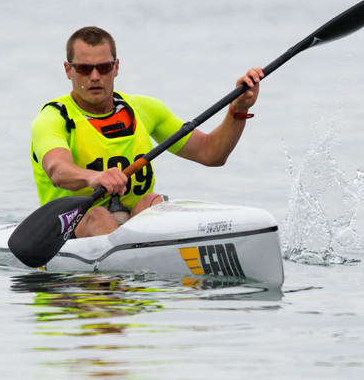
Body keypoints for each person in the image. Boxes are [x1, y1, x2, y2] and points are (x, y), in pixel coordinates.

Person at [30, 26, 262, 238]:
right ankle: (125, 273)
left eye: (103, 67)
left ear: (116, 67)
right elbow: (57, 170)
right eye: (83, 69)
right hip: (69, 231)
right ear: (68, 70)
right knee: (99, 214)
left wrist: (238, 110)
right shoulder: (52, 118)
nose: (94, 77)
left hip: (131, 226)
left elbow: (211, 153)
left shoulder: (145, 109)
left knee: (153, 201)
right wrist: (93, 177)